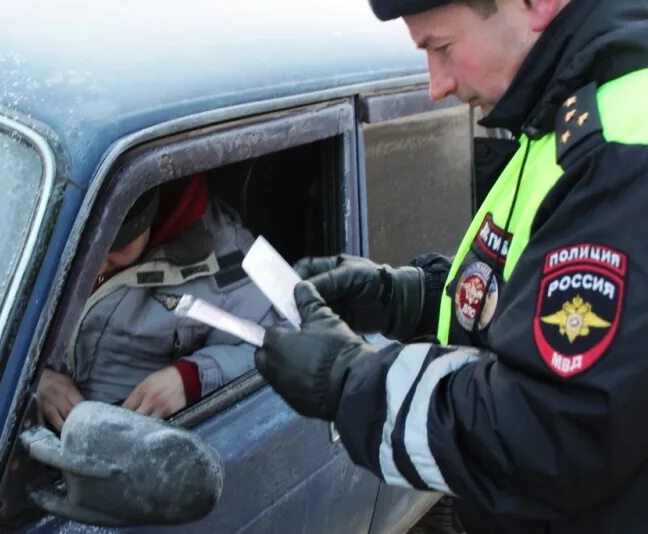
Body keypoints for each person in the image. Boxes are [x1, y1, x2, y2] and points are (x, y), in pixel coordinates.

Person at [254, 0, 648, 532]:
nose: (437, 85)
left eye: (442, 48)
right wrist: (407, 298)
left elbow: (548, 431)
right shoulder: (570, 113)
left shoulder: (619, 147)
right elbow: (534, 294)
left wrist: (350, 384)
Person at [38, 174, 277, 431]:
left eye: (113, 247)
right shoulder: (37, 217)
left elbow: (283, 346)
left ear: (147, 215)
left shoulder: (230, 263)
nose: (93, 265)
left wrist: (191, 379)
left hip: (140, 447)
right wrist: (36, 379)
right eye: (81, 249)